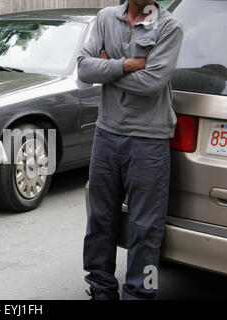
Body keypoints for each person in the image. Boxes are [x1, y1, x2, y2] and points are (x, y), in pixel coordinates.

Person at [78, 0, 183, 300]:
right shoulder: (105, 17)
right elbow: (84, 68)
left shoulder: (169, 26)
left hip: (149, 139)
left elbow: (151, 82)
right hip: (107, 133)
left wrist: (106, 66)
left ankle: (140, 293)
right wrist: (126, 64)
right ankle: (100, 289)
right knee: (100, 218)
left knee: (146, 227)